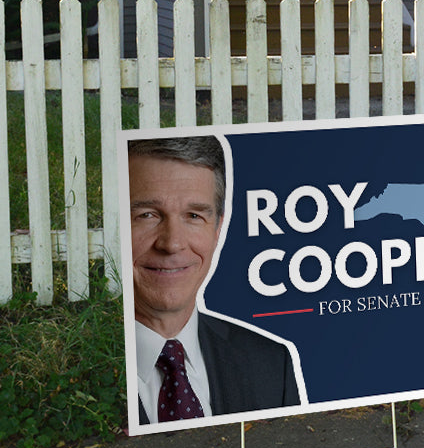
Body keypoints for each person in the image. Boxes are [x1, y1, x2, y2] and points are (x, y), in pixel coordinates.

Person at [128, 135, 303, 424]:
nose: (172, 244)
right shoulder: (74, 376)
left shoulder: (271, 364)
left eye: (194, 216)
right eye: (146, 215)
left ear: (218, 228)